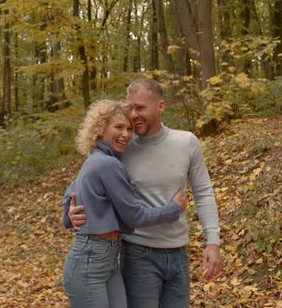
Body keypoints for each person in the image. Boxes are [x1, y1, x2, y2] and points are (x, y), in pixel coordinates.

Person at [66, 78, 222, 307]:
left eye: (140, 108)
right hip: (137, 254)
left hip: (179, 253)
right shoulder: (121, 147)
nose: (134, 115)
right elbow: (80, 184)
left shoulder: (187, 142)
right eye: (130, 108)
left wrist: (213, 242)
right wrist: (69, 212)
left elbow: (204, 192)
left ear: (160, 106)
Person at [61, 99, 189, 308]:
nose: (126, 134)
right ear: (100, 128)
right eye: (118, 127)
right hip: (89, 262)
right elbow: (134, 216)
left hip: (109, 258)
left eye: (129, 128)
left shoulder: (98, 159)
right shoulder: (107, 164)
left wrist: (68, 216)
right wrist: (174, 209)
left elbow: (68, 196)